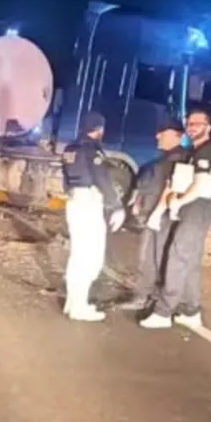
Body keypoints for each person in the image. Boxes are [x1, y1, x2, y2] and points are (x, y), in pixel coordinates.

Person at [140, 109, 211, 329]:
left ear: (209, 127)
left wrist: (179, 201)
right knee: (190, 263)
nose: (193, 126)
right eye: (190, 123)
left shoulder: (206, 152)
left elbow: (201, 184)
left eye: (198, 123)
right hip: (196, 216)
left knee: (176, 259)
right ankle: (191, 310)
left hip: (195, 216)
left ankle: (164, 312)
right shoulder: (196, 152)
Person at [61, 111, 126, 321]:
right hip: (89, 202)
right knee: (91, 256)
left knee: (77, 254)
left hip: (74, 202)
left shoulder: (70, 149)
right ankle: (79, 306)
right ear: (99, 130)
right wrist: (116, 205)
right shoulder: (92, 150)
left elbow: (65, 178)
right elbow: (102, 178)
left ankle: (72, 302)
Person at [119, 120, 187, 311]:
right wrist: (138, 201)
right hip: (153, 215)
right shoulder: (164, 159)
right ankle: (149, 294)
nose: (157, 136)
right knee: (150, 256)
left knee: (150, 256)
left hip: (161, 218)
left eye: (162, 133)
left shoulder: (178, 159)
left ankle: (144, 296)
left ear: (177, 135)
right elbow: (148, 182)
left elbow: (170, 188)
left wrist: (156, 213)